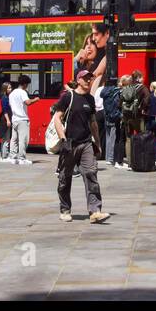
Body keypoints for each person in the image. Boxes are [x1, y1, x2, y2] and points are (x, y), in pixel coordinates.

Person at [52, 68, 109, 224]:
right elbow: (57, 118)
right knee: (65, 177)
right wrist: (63, 138)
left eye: (90, 78)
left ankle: (95, 211)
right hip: (69, 142)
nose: (89, 81)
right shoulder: (68, 97)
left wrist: (97, 142)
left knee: (91, 173)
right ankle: (65, 209)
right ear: (78, 80)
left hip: (85, 143)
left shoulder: (90, 99)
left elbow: (93, 123)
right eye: (85, 78)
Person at [6, 74, 37, 165]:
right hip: (22, 119)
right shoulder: (23, 92)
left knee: (14, 139)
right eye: (27, 84)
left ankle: (13, 157)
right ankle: (22, 158)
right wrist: (35, 99)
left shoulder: (12, 93)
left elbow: (11, 105)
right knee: (23, 139)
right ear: (24, 84)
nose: (27, 86)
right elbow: (27, 102)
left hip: (14, 118)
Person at [101, 75, 124, 169]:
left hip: (106, 115)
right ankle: (111, 158)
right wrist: (119, 114)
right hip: (114, 116)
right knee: (113, 137)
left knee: (108, 137)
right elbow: (116, 103)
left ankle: (107, 158)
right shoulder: (115, 92)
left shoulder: (104, 91)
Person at [0, 81, 13, 161]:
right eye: (9, 88)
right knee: (6, 139)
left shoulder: (7, 97)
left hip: (6, 119)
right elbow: (5, 110)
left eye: (11, 87)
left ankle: (3, 156)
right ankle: (4, 157)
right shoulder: (4, 98)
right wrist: (8, 120)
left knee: (5, 139)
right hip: (5, 119)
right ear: (5, 89)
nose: (11, 89)